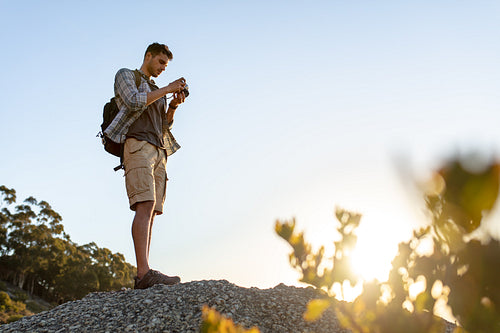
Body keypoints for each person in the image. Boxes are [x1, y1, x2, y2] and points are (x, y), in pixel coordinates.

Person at [104, 43, 187, 289]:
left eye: (166, 65)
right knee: (145, 203)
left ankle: (145, 271)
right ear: (148, 56)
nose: (163, 68)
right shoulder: (126, 75)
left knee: (152, 211)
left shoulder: (157, 90)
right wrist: (167, 89)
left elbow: (164, 126)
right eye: (161, 62)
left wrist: (172, 105)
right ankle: (143, 273)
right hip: (137, 145)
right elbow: (132, 101)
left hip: (158, 151)